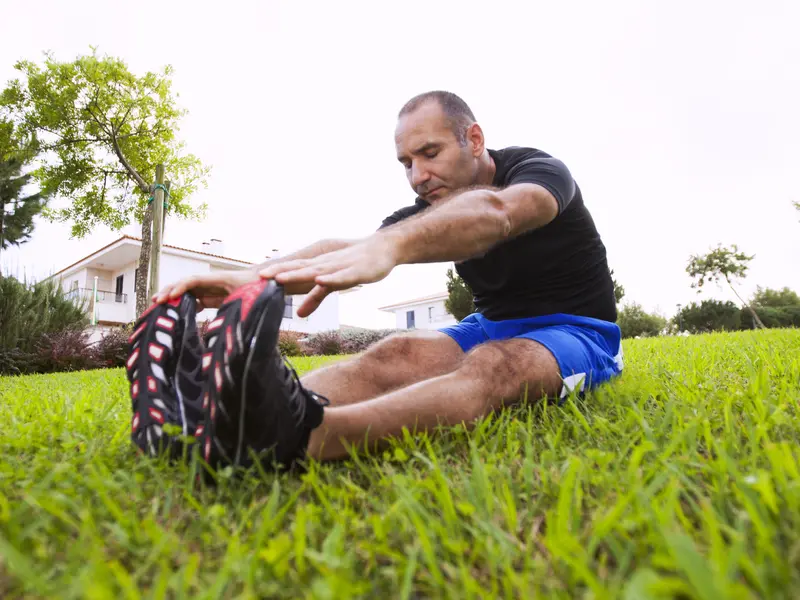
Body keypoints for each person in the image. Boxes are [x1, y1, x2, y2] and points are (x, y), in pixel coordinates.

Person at [126, 90, 622, 473]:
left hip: (579, 332)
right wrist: (251, 279)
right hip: (490, 322)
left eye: (430, 153)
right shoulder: (428, 208)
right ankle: (226, 413)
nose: (418, 176)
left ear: (474, 139)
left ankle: (307, 436)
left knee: (496, 367)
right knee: (395, 352)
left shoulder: (539, 173)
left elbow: (498, 212)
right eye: (407, 163)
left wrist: (392, 247)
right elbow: (348, 247)